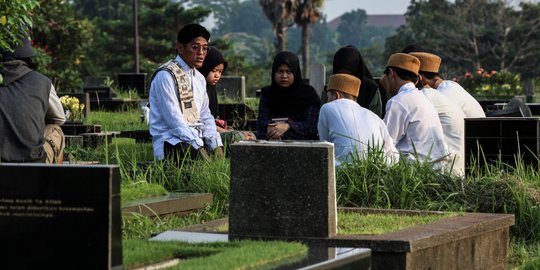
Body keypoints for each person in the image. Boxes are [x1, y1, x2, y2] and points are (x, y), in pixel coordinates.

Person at [149, 23, 223, 161]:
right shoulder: (166, 76)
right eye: (195, 47)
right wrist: (198, 147)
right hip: (172, 141)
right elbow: (174, 121)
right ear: (180, 48)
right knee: (194, 155)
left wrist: (216, 145)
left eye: (205, 48)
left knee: (231, 147)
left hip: (197, 138)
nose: (201, 53)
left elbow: (205, 116)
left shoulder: (200, 78)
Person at [0, 37, 66, 163]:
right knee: (55, 129)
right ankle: (51, 180)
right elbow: (59, 119)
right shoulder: (43, 82)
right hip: (32, 165)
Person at [382, 53, 449, 168]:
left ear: (391, 73)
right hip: (435, 168)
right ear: (417, 79)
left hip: (415, 170)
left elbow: (384, 144)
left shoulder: (398, 101)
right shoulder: (422, 98)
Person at [318, 73, 398, 166]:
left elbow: (324, 148)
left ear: (336, 95)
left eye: (328, 97)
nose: (327, 100)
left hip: (344, 172)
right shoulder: (373, 116)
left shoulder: (327, 107)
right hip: (377, 169)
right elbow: (393, 154)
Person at [409, 52, 466, 176]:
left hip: (450, 171)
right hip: (461, 162)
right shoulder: (447, 88)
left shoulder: (431, 96)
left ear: (419, 77)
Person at [197, 46, 256, 146]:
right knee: (239, 138)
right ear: (205, 67)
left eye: (220, 72)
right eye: (214, 70)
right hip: (203, 134)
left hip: (216, 130)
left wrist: (228, 129)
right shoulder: (198, 89)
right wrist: (228, 133)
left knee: (251, 136)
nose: (217, 75)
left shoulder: (211, 89)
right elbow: (202, 122)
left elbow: (214, 118)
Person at [257, 51, 320, 140]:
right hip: (270, 138)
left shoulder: (308, 95)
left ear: (295, 72)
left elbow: (311, 127)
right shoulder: (267, 94)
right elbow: (261, 122)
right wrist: (270, 127)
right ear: (274, 72)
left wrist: (288, 126)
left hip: (302, 144)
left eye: (289, 71)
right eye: (280, 71)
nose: (284, 76)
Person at [332, 45, 383, 118]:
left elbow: (375, 118)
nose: (345, 79)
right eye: (341, 75)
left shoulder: (370, 90)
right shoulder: (330, 88)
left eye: (349, 74)